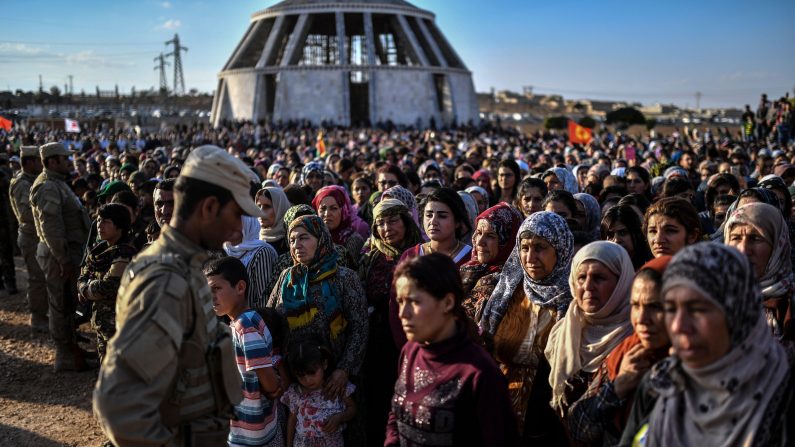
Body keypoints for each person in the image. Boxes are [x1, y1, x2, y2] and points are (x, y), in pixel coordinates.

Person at [94, 145, 263, 445]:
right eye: (235, 214)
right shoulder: (167, 282)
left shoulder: (187, 266)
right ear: (209, 207)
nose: (239, 226)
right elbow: (119, 406)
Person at [621, 243, 795, 447]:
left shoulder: (781, 397)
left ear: (736, 312)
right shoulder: (661, 382)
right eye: (670, 308)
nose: (678, 325)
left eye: (697, 309)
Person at [386, 253, 519, 446]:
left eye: (414, 302)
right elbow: (397, 412)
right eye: (400, 301)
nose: (403, 314)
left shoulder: (479, 374)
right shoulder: (410, 351)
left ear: (447, 302)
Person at [267, 214, 368, 444]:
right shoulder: (287, 278)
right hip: (297, 379)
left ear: (321, 239)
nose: (297, 245)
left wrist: (344, 370)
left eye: (304, 238)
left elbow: (360, 328)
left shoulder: (344, 278)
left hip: (335, 382)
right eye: (292, 240)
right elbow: (271, 319)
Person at [479, 211, 572, 442]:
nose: (530, 257)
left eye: (540, 247)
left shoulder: (575, 300)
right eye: (525, 247)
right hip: (499, 410)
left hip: (551, 418)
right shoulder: (506, 292)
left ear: (559, 249)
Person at [567, 256, 672, 446]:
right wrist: (618, 387)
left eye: (655, 306)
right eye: (635, 305)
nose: (641, 318)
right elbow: (577, 427)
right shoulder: (628, 354)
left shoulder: (700, 370)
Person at [545, 241, 635, 420]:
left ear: (621, 282)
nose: (587, 286)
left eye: (599, 278)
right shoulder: (563, 332)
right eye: (581, 277)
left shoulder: (635, 335)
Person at [357, 198, 422, 445]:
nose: (386, 228)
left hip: (409, 342)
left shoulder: (420, 255)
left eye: (393, 220)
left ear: (406, 222)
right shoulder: (369, 259)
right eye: (380, 223)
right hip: (376, 347)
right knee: (379, 408)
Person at [204, 256, 282, 447]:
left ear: (240, 287)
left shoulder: (244, 326)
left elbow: (265, 373)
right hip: (250, 427)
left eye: (216, 289)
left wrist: (274, 388)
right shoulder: (249, 319)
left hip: (251, 435)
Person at [30, 142, 92, 371]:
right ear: (52, 162)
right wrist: (63, 259)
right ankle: (65, 354)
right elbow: (51, 227)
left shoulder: (57, 183)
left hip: (64, 253)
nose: (69, 162)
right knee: (60, 304)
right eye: (65, 159)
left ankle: (71, 348)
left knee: (67, 302)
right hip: (59, 255)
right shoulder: (48, 187)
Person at [724, 202, 794, 341]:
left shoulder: (790, 302)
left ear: (777, 247)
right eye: (736, 238)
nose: (743, 250)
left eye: (755, 239)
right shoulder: (712, 295)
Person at [77, 203, 138, 362]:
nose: (99, 226)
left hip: (118, 325)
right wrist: (86, 287)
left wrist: (85, 290)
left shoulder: (124, 254)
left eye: (106, 222)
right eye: (98, 221)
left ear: (119, 227)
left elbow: (106, 287)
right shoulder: (99, 252)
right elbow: (83, 275)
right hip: (102, 321)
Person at [281, 339, 356, 447]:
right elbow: (292, 420)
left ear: (324, 364)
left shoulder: (335, 387)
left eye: (312, 372)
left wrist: (339, 417)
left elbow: (352, 408)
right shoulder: (295, 392)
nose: (307, 380)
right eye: (301, 375)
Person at [460, 203, 522, 321]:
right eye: (478, 233)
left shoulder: (508, 281)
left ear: (507, 241)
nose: (480, 242)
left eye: (490, 236)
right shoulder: (470, 269)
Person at [9, 145, 47, 332]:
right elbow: (28, 213)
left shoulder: (30, 180)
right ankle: (37, 317)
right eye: (39, 161)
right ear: (30, 162)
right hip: (30, 235)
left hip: (34, 234)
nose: (42, 165)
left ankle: (40, 312)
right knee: (37, 278)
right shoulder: (22, 184)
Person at [400, 187, 472, 266]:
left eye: (442, 216)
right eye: (429, 215)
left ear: (457, 222)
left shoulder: (470, 257)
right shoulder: (410, 256)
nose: (433, 222)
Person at [224, 216, 277, 309]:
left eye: (236, 222)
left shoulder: (261, 252)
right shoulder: (223, 252)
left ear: (248, 223)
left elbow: (264, 299)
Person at [312, 185, 368, 267]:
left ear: (343, 211)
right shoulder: (313, 237)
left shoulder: (353, 240)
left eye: (334, 208)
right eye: (323, 209)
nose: (327, 214)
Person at [601, 205, 653, 270]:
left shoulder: (650, 267)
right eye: (610, 235)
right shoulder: (601, 267)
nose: (616, 240)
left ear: (637, 233)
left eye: (623, 233)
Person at [256, 186, 291, 255]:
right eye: (258, 206)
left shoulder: (291, 240)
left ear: (280, 208)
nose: (260, 212)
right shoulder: (254, 237)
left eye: (267, 206)